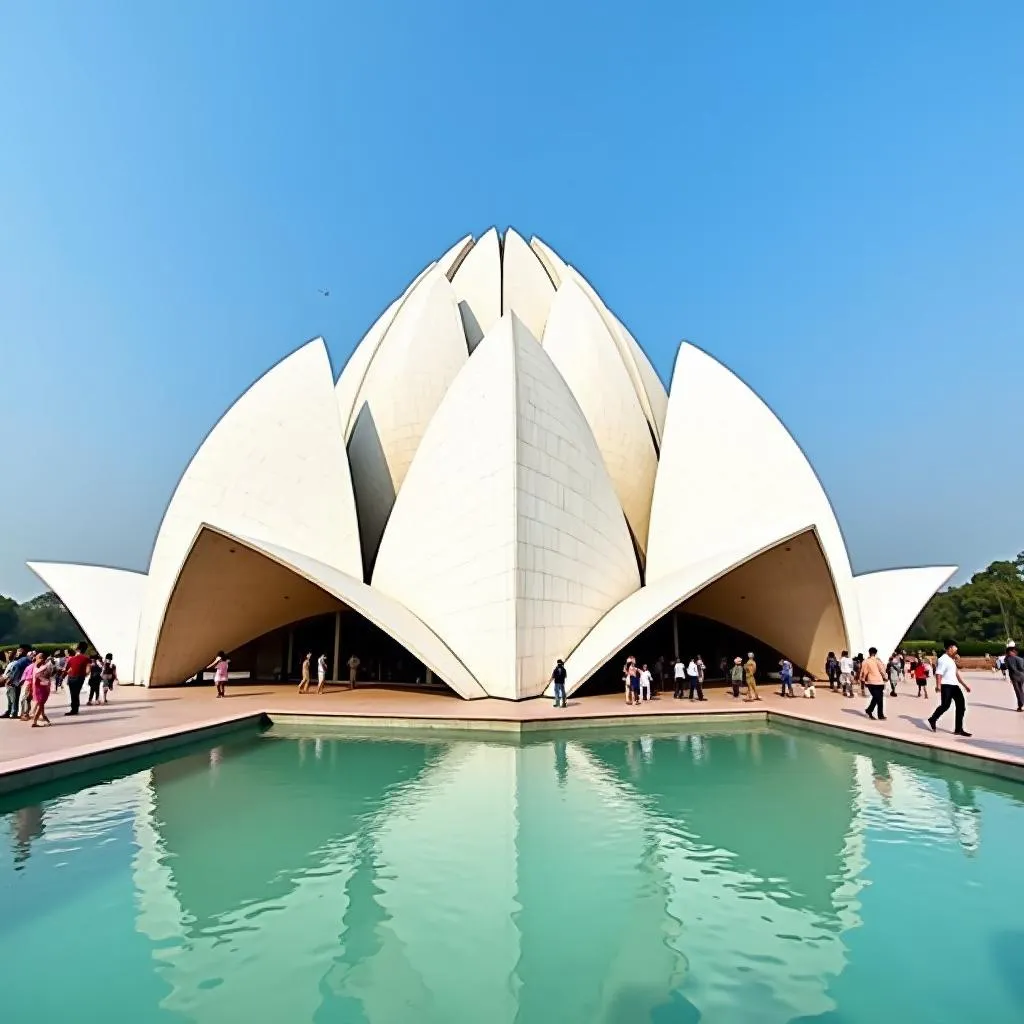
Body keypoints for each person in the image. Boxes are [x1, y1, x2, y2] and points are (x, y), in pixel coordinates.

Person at [928, 641, 972, 736]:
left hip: (955, 686)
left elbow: (956, 674)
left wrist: (965, 685)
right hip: (946, 685)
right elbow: (939, 673)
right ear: (950, 648)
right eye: (955, 650)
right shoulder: (943, 659)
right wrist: (938, 685)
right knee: (945, 705)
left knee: (961, 706)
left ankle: (958, 729)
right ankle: (933, 719)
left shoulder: (951, 660)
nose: (956, 652)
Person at [2, 645, 31, 719]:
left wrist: (9, 680)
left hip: (13, 683)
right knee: (10, 698)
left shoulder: (21, 660)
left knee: (14, 699)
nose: (9, 654)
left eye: (19, 651)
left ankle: (13, 713)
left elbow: (16, 671)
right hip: (12, 682)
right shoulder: (16, 661)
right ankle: (9, 712)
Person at [63, 641, 91, 716]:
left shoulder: (71, 659)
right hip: (79, 677)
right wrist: (84, 675)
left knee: (73, 693)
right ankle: (74, 709)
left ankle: (74, 709)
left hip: (72, 677)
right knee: (75, 693)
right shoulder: (86, 658)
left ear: (78, 649)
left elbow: (69, 669)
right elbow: (88, 670)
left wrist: (64, 675)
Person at [860, 646, 888, 720]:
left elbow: (863, 672)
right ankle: (878, 714)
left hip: (870, 682)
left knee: (877, 698)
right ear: (875, 653)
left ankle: (870, 711)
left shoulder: (865, 661)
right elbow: (882, 670)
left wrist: (862, 680)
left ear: (869, 652)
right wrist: (885, 677)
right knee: (879, 698)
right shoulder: (878, 661)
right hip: (879, 682)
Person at [30, 652, 53, 727]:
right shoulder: (38, 667)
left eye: (40, 658)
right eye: (38, 658)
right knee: (40, 704)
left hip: (42, 687)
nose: (38, 660)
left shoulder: (44, 667)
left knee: (40, 704)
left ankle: (43, 716)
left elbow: (46, 678)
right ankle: (35, 721)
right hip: (39, 687)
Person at [1003, 641, 1024, 712]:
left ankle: (1021, 706)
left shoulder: (1007, 659)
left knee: (1017, 691)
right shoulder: (1020, 659)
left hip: (1014, 677)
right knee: (1021, 690)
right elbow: (1022, 668)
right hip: (1022, 676)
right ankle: (1022, 704)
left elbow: (1006, 667)